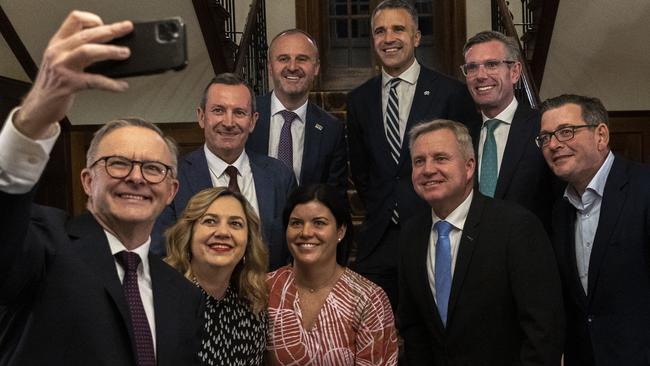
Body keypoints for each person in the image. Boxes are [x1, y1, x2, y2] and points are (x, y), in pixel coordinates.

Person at [0, 11, 202, 365]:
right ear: (88, 180)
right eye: (118, 163)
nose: (136, 177)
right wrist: (34, 116)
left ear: (171, 191)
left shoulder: (181, 294)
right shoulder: (44, 245)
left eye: (153, 168)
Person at [346, 0, 479, 308]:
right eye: (380, 31)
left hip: (435, 228)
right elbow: (362, 170)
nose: (388, 38)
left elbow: (465, 164)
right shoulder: (359, 100)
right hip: (379, 237)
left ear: (416, 37)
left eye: (398, 29)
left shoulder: (450, 92)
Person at [399, 119, 564, 365]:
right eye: (419, 161)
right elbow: (414, 327)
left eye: (441, 158)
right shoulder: (411, 234)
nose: (428, 169)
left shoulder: (515, 226)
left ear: (469, 167)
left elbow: (544, 330)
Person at [538, 94, 650, 365]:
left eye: (566, 132)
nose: (553, 145)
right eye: (545, 138)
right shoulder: (559, 210)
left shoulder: (644, 189)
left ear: (601, 135)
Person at [153, 73, 297, 270]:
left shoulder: (280, 176)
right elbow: (161, 254)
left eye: (239, 112)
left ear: (253, 121)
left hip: (266, 296)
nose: (229, 123)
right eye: (218, 110)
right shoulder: (172, 178)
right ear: (202, 116)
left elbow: (290, 253)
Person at [266, 184, 398, 365]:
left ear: (340, 231)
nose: (306, 232)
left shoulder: (368, 299)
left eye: (319, 223)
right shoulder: (264, 289)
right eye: (296, 223)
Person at [462, 30, 559, 231]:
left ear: (515, 72)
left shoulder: (544, 127)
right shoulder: (461, 133)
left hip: (530, 254)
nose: (481, 76)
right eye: (472, 68)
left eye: (491, 64)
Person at [165, 187, 268, 365]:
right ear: (188, 234)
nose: (222, 232)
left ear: (248, 241)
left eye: (235, 224)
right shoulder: (160, 297)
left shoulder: (253, 309)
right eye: (210, 221)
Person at [247, 29, 348, 202]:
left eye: (302, 59)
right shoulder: (246, 116)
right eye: (283, 59)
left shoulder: (332, 130)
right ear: (270, 67)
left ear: (316, 68)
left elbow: (334, 199)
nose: (292, 67)